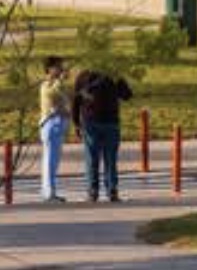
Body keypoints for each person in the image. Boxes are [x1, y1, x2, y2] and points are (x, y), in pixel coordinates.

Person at [70, 67, 131, 203]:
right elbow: (127, 95)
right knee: (109, 159)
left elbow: (76, 101)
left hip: (98, 123)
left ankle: (96, 192)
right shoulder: (90, 76)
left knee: (95, 158)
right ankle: (109, 191)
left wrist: (76, 123)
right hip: (105, 123)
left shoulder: (86, 76)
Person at [35, 57, 69, 203]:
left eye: (61, 66)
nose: (61, 68)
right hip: (51, 124)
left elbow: (63, 99)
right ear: (49, 69)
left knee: (53, 161)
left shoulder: (57, 84)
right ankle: (49, 193)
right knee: (50, 160)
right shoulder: (46, 85)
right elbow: (52, 94)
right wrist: (60, 81)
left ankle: (49, 191)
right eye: (58, 66)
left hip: (59, 124)